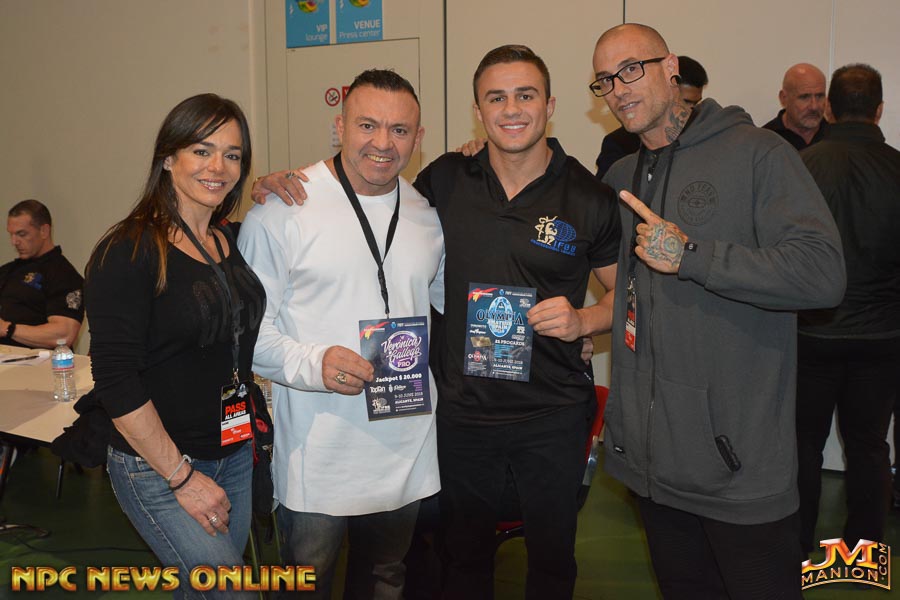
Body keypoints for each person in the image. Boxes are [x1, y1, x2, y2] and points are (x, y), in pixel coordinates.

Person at [252, 46, 620, 600]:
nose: (511, 109)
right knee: (450, 561)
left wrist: (583, 322)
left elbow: (625, 296)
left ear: (549, 105)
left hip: (531, 417)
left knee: (538, 561)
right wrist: (270, 187)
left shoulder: (578, 196)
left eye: (525, 95)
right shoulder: (441, 182)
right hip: (440, 419)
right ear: (478, 111)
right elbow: (355, 206)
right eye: (496, 97)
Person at [592, 23, 845, 598]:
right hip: (653, 470)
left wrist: (693, 257)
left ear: (670, 67)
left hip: (738, 475)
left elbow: (822, 273)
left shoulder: (758, 154)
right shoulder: (622, 178)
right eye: (605, 79)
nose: (618, 88)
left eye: (631, 69)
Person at [238, 69, 443, 599]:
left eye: (400, 130)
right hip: (319, 452)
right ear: (340, 127)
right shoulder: (282, 211)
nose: (383, 143)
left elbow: (448, 306)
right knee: (306, 583)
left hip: (405, 446)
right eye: (367, 125)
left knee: (387, 577)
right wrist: (317, 363)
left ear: (419, 139)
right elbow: (246, 334)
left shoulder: (426, 215)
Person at [85, 93, 264, 598]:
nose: (218, 167)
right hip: (160, 467)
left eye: (232, 155)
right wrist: (182, 477)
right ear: (168, 158)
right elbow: (116, 381)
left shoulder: (230, 240)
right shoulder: (129, 250)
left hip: (232, 451)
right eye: (201, 151)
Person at [795, 63, 900, 554]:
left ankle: (794, 545)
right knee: (869, 446)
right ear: (879, 110)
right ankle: (865, 552)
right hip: (882, 335)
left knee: (802, 445)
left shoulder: (804, 167)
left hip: (812, 332)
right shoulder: (897, 168)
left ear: (830, 110)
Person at [595, 55, 708, 179]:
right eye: (685, 102)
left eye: (695, 104)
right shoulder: (620, 144)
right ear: (666, 88)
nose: (690, 110)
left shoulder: (704, 135)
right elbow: (604, 190)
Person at [0, 199, 83, 348]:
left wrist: (7, 329)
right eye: (11, 234)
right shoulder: (7, 271)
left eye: (21, 234)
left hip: (37, 360)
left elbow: (64, 334)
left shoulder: (64, 275)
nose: (14, 242)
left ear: (44, 231)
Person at [762, 63, 829, 151]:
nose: (814, 106)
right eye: (804, 97)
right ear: (784, 98)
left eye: (819, 96)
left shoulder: (836, 137)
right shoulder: (764, 140)